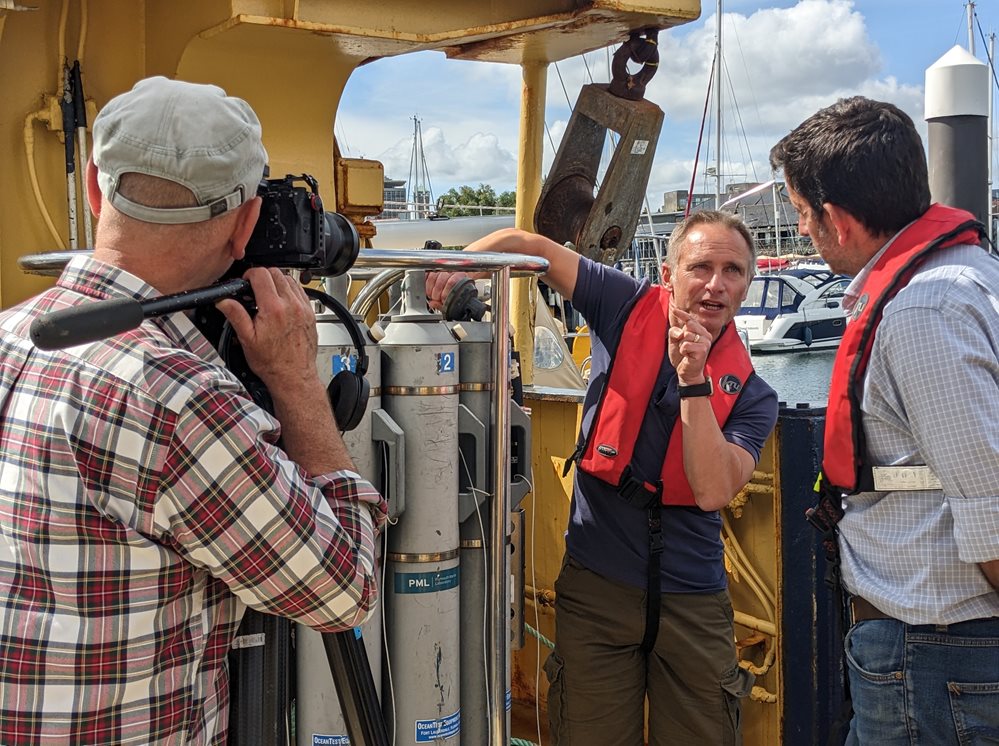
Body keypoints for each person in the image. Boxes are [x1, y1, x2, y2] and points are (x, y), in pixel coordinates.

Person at [0, 77, 387, 745]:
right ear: (244, 226)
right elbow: (341, 590)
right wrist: (294, 383)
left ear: (95, 189)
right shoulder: (179, 401)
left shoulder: (9, 335)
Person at [427, 211, 778, 745]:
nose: (715, 284)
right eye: (700, 266)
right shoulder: (624, 303)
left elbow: (711, 488)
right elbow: (526, 244)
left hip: (693, 597)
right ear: (668, 273)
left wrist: (693, 383)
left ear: (747, 285)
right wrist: (455, 269)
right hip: (598, 586)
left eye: (732, 271)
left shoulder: (753, 396)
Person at [770, 96, 999, 745]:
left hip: (938, 660)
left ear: (835, 220)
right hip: (938, 658)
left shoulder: (923, 313)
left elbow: (989, 515)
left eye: (799, 214)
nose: (801, 232)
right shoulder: (972, 277)